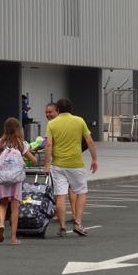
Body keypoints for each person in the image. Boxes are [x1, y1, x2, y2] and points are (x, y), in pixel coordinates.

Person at [43, 97, 98, 237]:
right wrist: (94, 159)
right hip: (76, 163)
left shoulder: (52, 124)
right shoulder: (79, 121)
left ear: (58, 109)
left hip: (58, 164)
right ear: (71, 109)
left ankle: (62, 227)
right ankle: (78, 223)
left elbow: (49, 144)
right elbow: (89, 141)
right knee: (81, 192)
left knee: (60, 195)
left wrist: (46, 164)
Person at [0, 117, 36, 244]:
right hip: (16, 179)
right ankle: (13, 238)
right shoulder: (21, 144)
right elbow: (34, 160)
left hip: (3, 178)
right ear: (18, 129)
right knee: (15, 207)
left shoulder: (0, 143)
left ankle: (2, 224)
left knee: (3, 204)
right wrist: (25, 162)